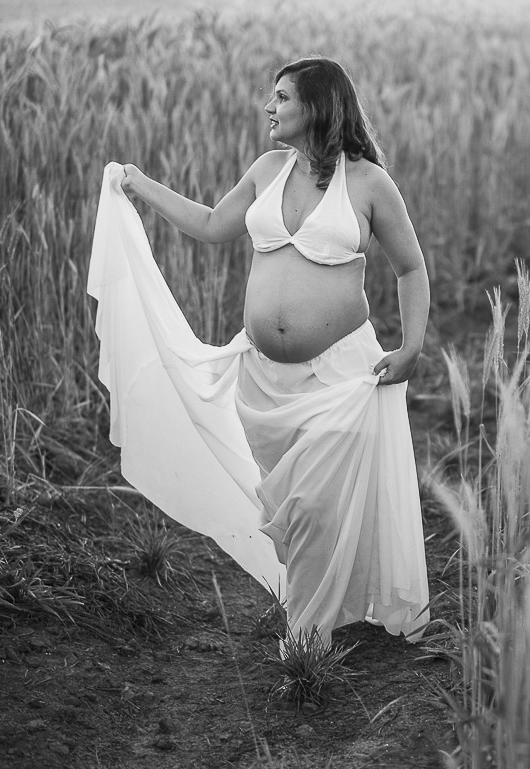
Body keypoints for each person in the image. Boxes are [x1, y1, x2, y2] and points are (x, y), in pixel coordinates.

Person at [87, 56, 431, 650]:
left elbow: (411, 267)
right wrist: (140, 185)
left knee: (315, 503)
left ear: (317, 107)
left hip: (340, 373)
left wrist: (413, 346)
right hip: (262, 379)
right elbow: (214, 224)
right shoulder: (268, 170)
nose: (268, 108)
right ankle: (317, 614)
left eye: (280, 97)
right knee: (293, 513)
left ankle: (307, 642)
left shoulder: (370, 184)